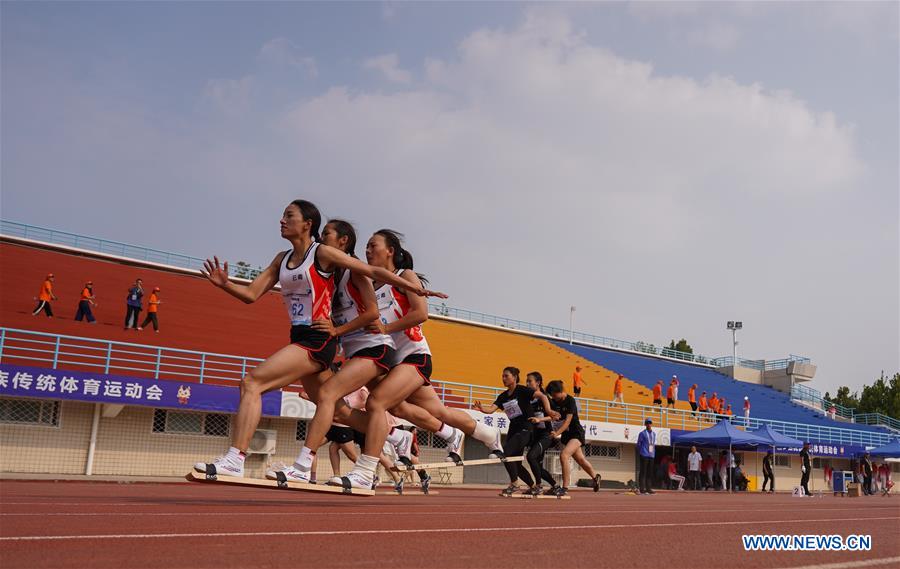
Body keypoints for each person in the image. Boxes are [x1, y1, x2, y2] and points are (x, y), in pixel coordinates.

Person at [193, 200, 444, 479]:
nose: (282, 220)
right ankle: (397, 437)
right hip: (305, 335)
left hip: (319, 340)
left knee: (253, 382)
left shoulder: (323, 254)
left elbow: (371, 272)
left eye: (289, 216)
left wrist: (415, 288)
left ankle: (237, 458)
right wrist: (226, 284)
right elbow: (252, 294)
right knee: (339, 412)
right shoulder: (281, 259)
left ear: (307, 224)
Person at [335, 229, 502, 490]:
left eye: (372, 245)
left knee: (377, 402)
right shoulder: (369, 282)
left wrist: (385, 329)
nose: (368, 251)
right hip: (392, 361)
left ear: (390, 251)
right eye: (366, 247)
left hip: (414, 356)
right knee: (430, 411)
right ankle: (486, 433)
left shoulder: (405, 276)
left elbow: (421, 313)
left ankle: (366, 471)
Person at [474, 367, 556, 496]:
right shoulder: (503, 396)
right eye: (502, 376)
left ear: (514, 377)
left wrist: (549, 411)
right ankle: (534, 486)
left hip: (526, 429)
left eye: (506, 376)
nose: (503, 378)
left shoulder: (523, 390)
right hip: (513, 429)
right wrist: (481, 408)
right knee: (515, 463)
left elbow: (542, 396)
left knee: (506, 452)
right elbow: (491, 409)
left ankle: (515, 484)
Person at [545, 379, 602, 497]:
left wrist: (556, 433)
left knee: (564, 455)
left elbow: (567, 421)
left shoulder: (570, 400)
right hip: (567, 435)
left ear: (560, 391)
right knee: (580, 460)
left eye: (554, 395)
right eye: (552, 396)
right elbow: (552, 416)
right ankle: (595, 478)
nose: (553, 398)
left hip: (576, 434)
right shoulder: (555, 401)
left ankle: (565, 487)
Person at [524, 371, 560, 495]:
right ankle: (555, 486)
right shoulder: (529, 398)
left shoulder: (544, 398)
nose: (527, 383)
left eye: (530, 381)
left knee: (530, 457)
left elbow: (556, 416)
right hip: (536, 435)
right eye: (526, 381)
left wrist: (541, 419)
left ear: (538, 383)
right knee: (537, 465)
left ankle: (538, 486)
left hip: (546, 435)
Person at [637, 418, 656, 494]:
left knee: (649, 472)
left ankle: (648, 488)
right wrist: (641, 452)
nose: (648, 424)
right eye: (647, 423)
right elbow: (638, 444)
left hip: (651, 455)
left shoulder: (654, 434)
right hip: (644, 454)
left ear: (651, 424)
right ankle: (642, 488)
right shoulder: (642, 433)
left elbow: (653, 444)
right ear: (645, 424)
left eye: (650, 423)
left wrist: (652, 453)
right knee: (643, 472)